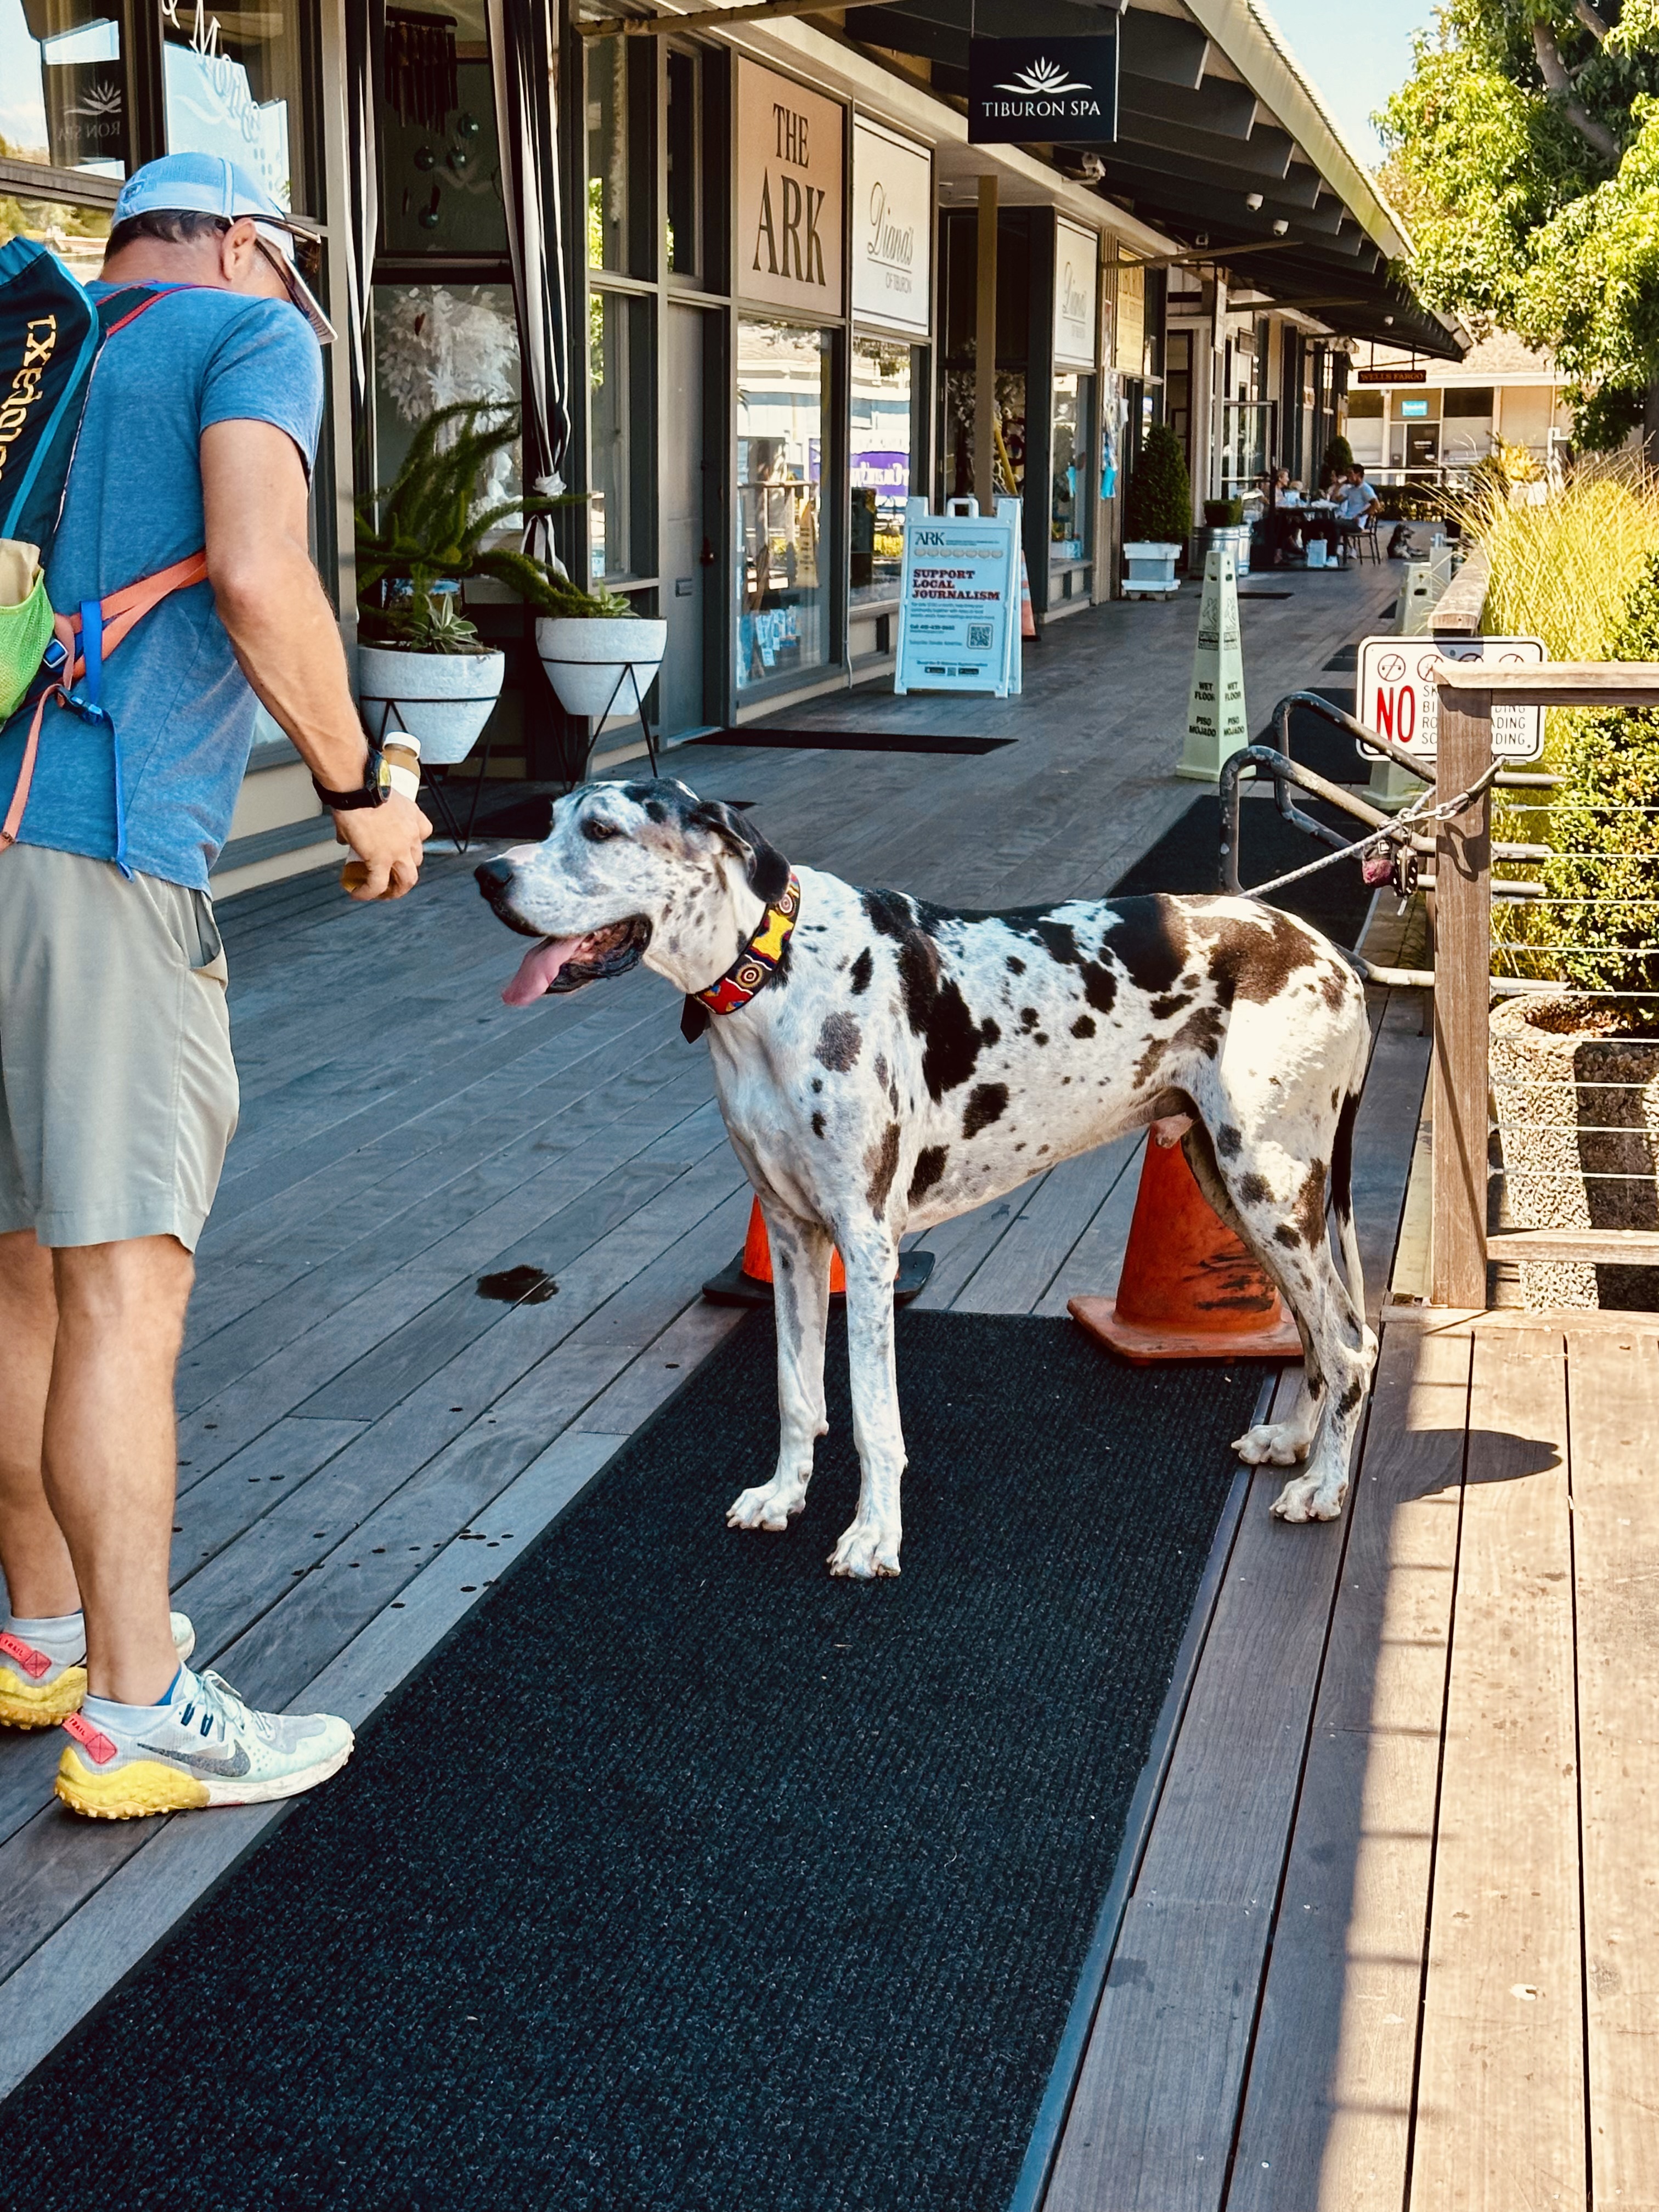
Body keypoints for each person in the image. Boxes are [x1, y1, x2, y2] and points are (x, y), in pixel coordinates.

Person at [0, 155, 429, 1819]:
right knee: (123, 1289)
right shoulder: (246, 339)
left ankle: (42, 1635)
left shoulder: (38, 350)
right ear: (253, 246)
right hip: (105, 857)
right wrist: (354, 786)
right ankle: (135, 1713)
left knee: (26, 1275)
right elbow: (258, 573)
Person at [1332, 464, 1380, 558]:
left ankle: (1336, 553)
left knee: (1334, 524)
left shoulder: (1365, 489)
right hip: (1347, 520)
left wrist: (1361, 515)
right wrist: (1338, 486)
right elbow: (1336, 500)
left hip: (1357, 523)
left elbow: (1376, 505)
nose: (1348, 477)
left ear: (1358, 475)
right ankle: (1333, 554)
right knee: (1333, 528)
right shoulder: (1351, 490)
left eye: (1350, 474)